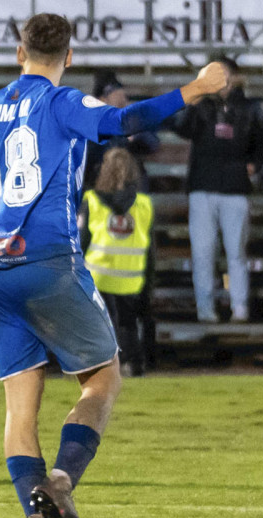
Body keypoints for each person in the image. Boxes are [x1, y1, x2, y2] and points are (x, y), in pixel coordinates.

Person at [0, 13, 226, 518]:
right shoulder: (62, 102)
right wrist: (194, 89)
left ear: (19, 54)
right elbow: (122, 122)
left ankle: (40, 517)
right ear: (69, 57)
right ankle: (61, 482)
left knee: (20, 407)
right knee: (103, 379)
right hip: (46, 262)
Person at [171, 56, 263, 323]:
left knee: (236, 253)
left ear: (234, 76)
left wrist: (254, 166)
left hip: (236, 189)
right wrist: (197, 94)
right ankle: (206, 310)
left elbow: (261, 145)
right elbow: (179, 126)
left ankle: (239, 308)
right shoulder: (202, 106)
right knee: (203, 254)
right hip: (202, 186)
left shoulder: (250, 108)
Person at [79, 148, 155, 378]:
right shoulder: (143, 204)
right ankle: (133, 363)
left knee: (99, 324)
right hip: (131, 275)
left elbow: (82, 241)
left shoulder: (91, 200)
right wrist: (149, 280)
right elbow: (151, 247)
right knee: (128, 324)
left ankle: (98, 368)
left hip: (98, 273)